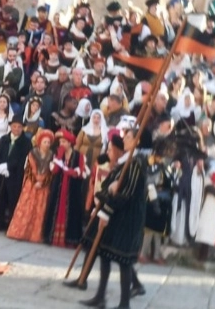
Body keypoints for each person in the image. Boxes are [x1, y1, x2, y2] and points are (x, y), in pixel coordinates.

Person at [76, 129, 147, 309]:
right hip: (118, 215)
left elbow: (126, 194)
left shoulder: (136, 164)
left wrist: (105, 211)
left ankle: (124, 304)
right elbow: (110, 186)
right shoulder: (125, 163)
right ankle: (100, 297)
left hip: (127, 219)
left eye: (129, 137)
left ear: (137, 142)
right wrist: (108, 191)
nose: (125, 139)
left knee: (124, 261)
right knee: (105, 255)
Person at [7, 129, 55, 242]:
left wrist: (43, 181)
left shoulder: (52, 156)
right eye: (45, 142)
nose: (47, 144)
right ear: (40, 142)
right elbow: (28, 169)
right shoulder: (32, 153)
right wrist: (35, 181)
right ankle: (19, 232)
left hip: (43, 186)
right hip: (31, 184)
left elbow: (52, 172)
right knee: (26, 207)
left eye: (48, 142)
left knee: (39, 210)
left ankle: (34, 234)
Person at [43, 129, 88, 248]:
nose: (61, 144)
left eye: (63, 142)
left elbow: (81, 172)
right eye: (60, 142)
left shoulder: (79, 156)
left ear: (69, 143)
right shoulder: (58, 154)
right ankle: (52, 236)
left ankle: (70, 239)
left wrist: (70, 171)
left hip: (72, 189)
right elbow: (54, 170)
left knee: (72, 211)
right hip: (59, 188)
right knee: (56, 208)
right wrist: (58, 157)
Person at [0, 114, 33, 230]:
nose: (16, 129)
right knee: (0, 197)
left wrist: (9, 166)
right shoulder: (4, 139)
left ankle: (11, 224)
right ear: (11, 127)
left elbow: (24, 159)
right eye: (14, 126)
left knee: (13, 198)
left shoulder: (26, 142)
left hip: (15, 175)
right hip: (1, 173)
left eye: (19, 127)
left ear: (22, 128)